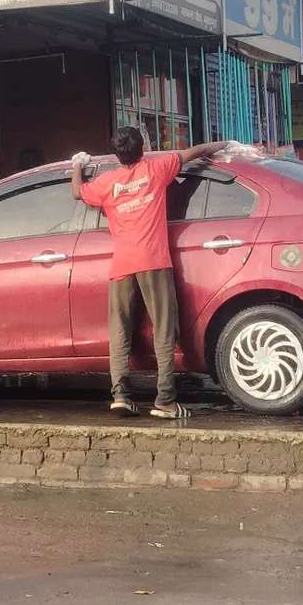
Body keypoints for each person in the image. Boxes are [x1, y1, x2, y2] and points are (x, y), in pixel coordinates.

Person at [71, 128, 227, 419]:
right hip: (154, 261)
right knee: (165, 330)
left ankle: (120, 396)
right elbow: (197, 151)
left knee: (120, 332)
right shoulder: (157, 169)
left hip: (121, 266)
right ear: (143, 149)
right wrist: (224, 144)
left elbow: (77, 192)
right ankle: (165, 400)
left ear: (118, 155)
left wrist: (77, 165)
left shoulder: (107, 183)